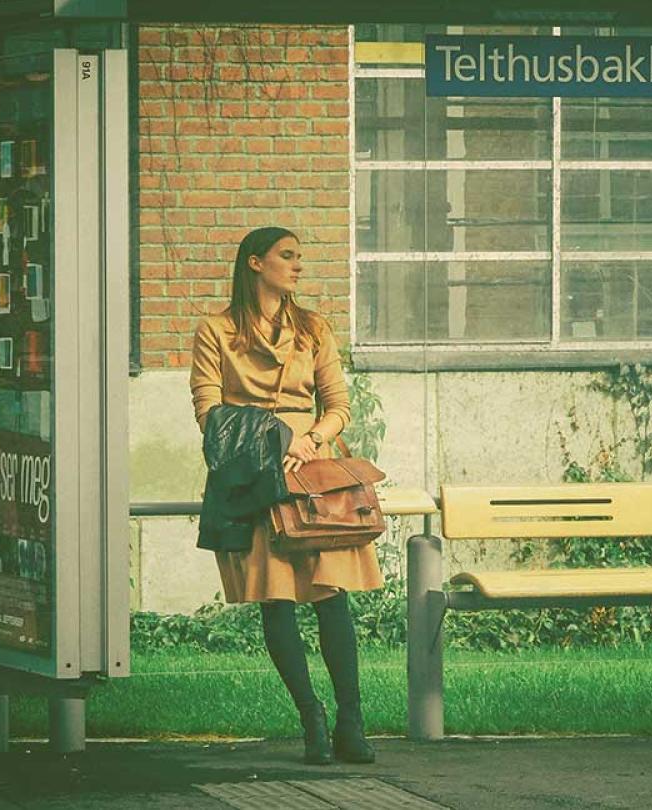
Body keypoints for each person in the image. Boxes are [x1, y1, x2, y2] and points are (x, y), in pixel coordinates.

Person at [189, 226, 383, 765]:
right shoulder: (216, 331)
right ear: (255, 263)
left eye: (300, 257)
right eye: (287, 256)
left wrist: (314, 439)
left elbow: (339, 404)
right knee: (276, 599)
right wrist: (279, 440)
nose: (297, 266)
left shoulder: (313, 328)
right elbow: (208, 410)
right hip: (255, 474)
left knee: (330, 594)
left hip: (314, 472)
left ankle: (351, 718)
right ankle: (311, 719)